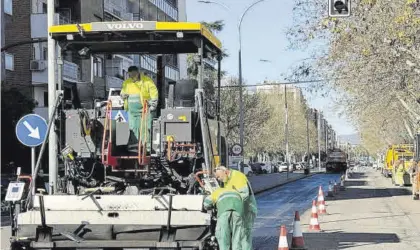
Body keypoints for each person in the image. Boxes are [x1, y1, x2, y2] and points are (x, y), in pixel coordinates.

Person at [214, 166, 257, 250]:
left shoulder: (238, 177)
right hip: (237, 210)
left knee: (243, 235)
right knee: (237, 236)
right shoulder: (227, 180)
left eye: (219, 176)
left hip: (246, 209)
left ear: (225, 172)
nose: (218, 179)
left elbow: (244, 195)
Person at [120, 66, 158, 147]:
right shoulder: (127, 82)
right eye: (130, 75)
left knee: (145, 129)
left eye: (133, 75)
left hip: (145, 109)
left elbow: (154, 93)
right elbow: (122, 92)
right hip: (131, 111)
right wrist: (122, 95)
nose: (132, 77)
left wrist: (153, 105)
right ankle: (135, 146)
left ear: (138, 73)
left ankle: (146, 147)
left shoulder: (147, 81)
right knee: (133, 128)